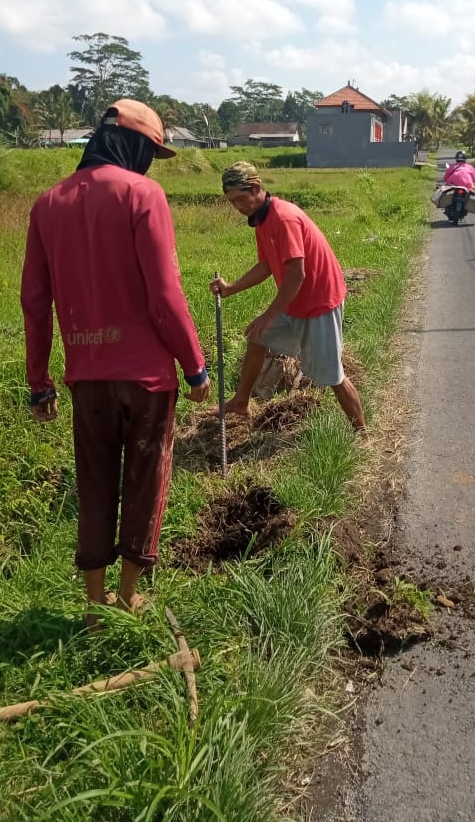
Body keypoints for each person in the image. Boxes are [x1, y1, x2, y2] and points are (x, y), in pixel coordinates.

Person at [21, 99, 210, 628]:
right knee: (146, 481)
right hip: (146, 378)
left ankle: (93, 605)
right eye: (150, 151)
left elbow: (34, 301)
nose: (150, 163)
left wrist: (39, 382)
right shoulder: (142, 194)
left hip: (87, 378)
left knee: (95, 483)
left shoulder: (47, 204)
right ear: (133, 145)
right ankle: (128, 597)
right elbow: (164, 295)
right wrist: (194, 365)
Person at [209, 161, 368, 438]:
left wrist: (269, 315)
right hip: (295, 301)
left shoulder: (283, 218)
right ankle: (241, 402)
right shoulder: (262, 221)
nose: (237, 207)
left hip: (319, 303)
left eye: (240, 199)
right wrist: (231, 288)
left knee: (333, 376)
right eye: (232, 202)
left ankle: (362, 433)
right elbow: (266, 265)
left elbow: (296, 275)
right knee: (257, 336)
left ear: (256, 188)